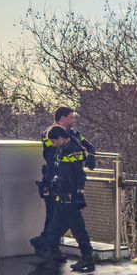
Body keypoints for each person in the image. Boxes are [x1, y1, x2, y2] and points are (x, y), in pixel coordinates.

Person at [31, 106, 95, 256]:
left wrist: (89, 156)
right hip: (54, 180)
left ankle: (46, 244)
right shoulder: (49, 134)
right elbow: (55, 152)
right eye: (71, 117)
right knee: (54, 216)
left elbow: (89, 147)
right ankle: (49, 247)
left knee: (61, 220)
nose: (74, 120)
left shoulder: (73, 134)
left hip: (69, 183)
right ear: (62, 118)